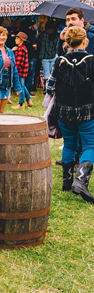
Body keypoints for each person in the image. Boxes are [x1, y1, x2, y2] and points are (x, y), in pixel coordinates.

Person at [47, 27, 94, 203]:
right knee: (89, 145)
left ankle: (67, 182)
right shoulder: (92, 60)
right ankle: (80, 180)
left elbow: (49, 88)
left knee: (69, 144)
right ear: (85, 41)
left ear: (67, 42)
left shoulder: (59, 61)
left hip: (64, 110)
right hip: (87, 110)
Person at [11, 32, 33, 109]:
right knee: (22, 85)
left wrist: (14, 71)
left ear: (21, 40)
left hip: (20, 71)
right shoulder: (22, 48)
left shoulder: (21, 49)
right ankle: (29, 100)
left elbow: (19, 63)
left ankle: (21, 103)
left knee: (20, 86)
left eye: (17, 38)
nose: (15, 40)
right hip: (23, 70)